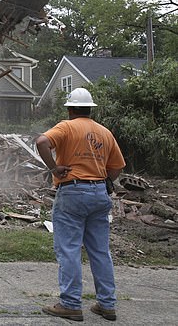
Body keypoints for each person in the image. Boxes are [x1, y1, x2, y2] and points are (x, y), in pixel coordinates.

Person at [36, 88, 125, 322]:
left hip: (73, 191)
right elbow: (117, 167)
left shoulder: (66, 127)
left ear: (70, 109)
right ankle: (107, 305)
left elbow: (41, 141)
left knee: (69, 249)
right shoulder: (104, 133)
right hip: (99, 194)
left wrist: (54, 168)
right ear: (90, 109)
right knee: (100, 251)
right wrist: (105, 181)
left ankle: (71, 304)